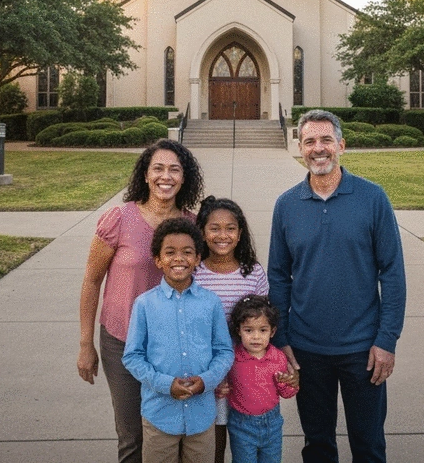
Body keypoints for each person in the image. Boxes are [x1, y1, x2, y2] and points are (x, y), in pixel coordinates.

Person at [268, 110, 407, 463]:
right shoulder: (286, 205)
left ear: (341, 145)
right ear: (300, 148)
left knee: (369, 444)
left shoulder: (373, 198)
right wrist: (281, 339)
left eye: (326, 140)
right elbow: (278, 276)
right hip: (306, 349)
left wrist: (386, 340)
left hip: (363, 349)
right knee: (317, 445)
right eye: (310, 141)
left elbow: (392, 272)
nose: (319, 149)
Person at [77, 139, 205, 463]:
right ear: (146, 175)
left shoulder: (193, 225)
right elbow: (92, 281)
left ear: (184, 177)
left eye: (174, 169)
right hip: (120, 341)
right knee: (132, 436)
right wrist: (85, 344)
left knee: (174, 435)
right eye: (158, 168)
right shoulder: (119, 218)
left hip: (173, 345)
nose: (166, 176)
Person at [122, 217, 235, 463]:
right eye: (170, 252)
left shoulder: (211, 302)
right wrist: (164, 384)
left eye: (187, 252)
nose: (179, 258)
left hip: (202, 417)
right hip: (159, 416)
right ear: (158, 260)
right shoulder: (144, 304)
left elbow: (224, 351)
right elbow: (132, 356)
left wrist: (207, 381)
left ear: (197, 259)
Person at [193, 196, 270, 463]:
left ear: (240, 234)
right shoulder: (194, 273)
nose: (222, 235)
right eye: (214, 228)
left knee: (245, 442)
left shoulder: (254, 273)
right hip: (207, 369)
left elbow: (263, 326)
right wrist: (212, 375)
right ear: (202, 231)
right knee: (213, 440)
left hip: (244, 371)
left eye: (230, 228)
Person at [226, 295, 299, 463]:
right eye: (248, 330)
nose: (256, 337)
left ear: (272, 331)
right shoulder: (232, 358)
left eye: (263, 330)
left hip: (272, 425)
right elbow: (222, 384)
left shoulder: (279, 358)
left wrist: (287, 384)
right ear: (239, 330)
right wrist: (220, 388)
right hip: (241, 425)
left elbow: (287, 393)